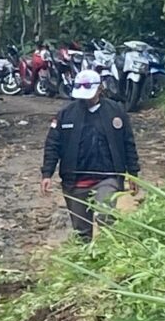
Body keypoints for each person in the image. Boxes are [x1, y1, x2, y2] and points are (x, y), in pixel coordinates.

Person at [40, 66, 140, 241]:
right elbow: (53, 145)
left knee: (105, 217)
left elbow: (128, 144)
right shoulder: (66, 114)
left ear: (100, 89)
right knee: (82, 232)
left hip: (108, 177)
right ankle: (86, 260)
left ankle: (110, 253)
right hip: (75, 181)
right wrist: (47, 173)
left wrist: (133, 173)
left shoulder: (116, 111)